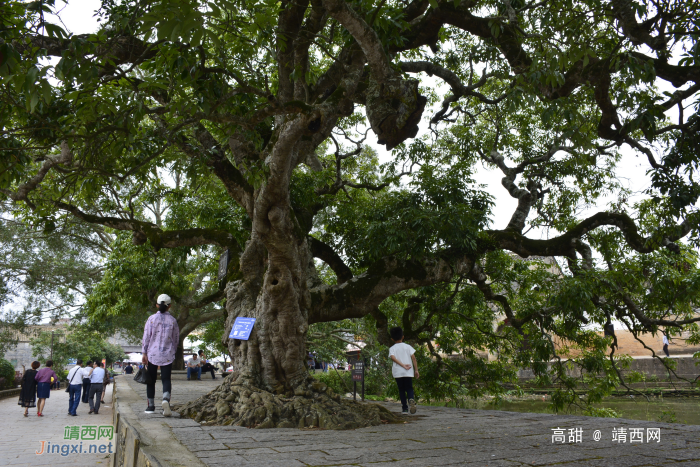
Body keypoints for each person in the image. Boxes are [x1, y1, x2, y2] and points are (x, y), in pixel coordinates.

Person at [142, 293, 179, 416]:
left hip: (152, 354)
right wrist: (172, 350)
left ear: (157, 305)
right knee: (166, 379)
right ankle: (165, 400)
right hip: (167, 354)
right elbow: (176, 339)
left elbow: (146, 336)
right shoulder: (173, 321)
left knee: (151, 381)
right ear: (169, 306)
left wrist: (144, 352)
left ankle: (150, 406)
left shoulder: (151, 319)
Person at [388, 326, 419, 415]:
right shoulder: (408, 347)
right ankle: (411, 399)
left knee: (401, 390)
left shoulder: (392, 348)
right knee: (409, 388)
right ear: (403, 337)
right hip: (408, 371)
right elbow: (413, 358)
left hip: (398, 372)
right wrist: (416, 370)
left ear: (392, 339)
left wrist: (401, 365)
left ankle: (404, 409)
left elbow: (393, 358)